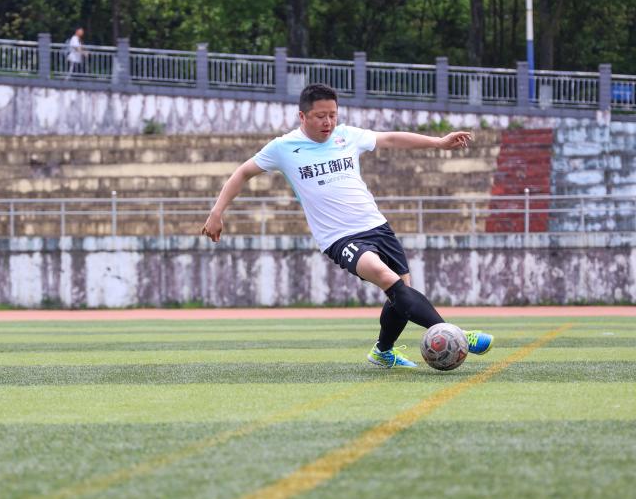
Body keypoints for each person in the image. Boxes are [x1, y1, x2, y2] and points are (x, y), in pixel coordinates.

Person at [201, 84, 493, 369]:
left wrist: (438, 142)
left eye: (333, 115)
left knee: (401, 292)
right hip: (339, 237)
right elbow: (243, 172)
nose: (328, 122)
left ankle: (382, 351)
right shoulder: (283, 148)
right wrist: (216, 212)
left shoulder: (347, 136)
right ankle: (454, 334)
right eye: (320, 116)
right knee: (386, 277)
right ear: (302, 116)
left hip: (377, 226)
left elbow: (391, 139)